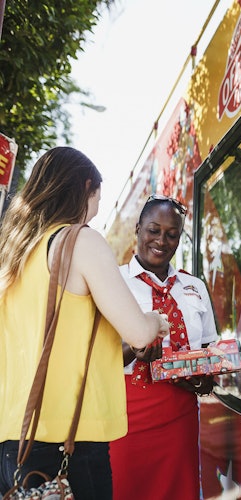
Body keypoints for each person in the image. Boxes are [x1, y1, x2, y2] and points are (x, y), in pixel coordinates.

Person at [0, 147, 170, 499]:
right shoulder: (79, 240)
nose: (96, 210)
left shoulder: (14, 251)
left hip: (10, 440)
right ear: (86, 187)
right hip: (66, 441)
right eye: (97, 198)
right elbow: (138, 332)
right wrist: (155, 321)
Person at [109, 195, 218, 500]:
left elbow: (208, 348)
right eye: (153, 230)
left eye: (172, 234)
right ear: (138, 228)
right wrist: (135, 348)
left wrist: (205, 378)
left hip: (181, 417)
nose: (161, 240)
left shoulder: (194, 287)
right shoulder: (113, 282)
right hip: (126, 418)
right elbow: (94, 357)